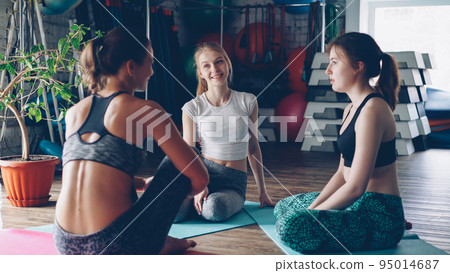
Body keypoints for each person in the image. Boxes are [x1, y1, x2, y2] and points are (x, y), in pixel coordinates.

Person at [54, 27, 209, 255]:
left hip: (65, 244)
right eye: (151, 63)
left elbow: (95, 161)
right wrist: (164, 196)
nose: (153, 71)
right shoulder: (148, 112)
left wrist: (139, 183)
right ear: (130, 66)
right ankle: (158, 241)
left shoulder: (74, 113)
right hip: (115, 246)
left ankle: (158, 239)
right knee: (176, 167)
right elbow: (200, 178)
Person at [274, 32, 405, 253]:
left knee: (291, 226)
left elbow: (355, 187)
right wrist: (312, 210)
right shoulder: (351, 109)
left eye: (334, 62)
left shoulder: (372, 110)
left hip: (376, 215)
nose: (328, 71)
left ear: (358, 66)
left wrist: (312, 216)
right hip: (354, 206)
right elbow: (342, 174)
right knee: (283, 208)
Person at [175, 42, 276, 223]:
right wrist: (199, 186)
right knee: (174, 211)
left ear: (227, 64)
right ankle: (193, 203)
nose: (214, 69)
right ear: (200, 73)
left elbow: (252, 148)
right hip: (202, 175)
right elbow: (189, 153)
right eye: (206, 65)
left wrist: (263, 191)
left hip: (233, 183)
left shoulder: (248, 101)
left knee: (215, 209)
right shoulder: (192, 108)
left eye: (219, 61)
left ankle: (199, 206)